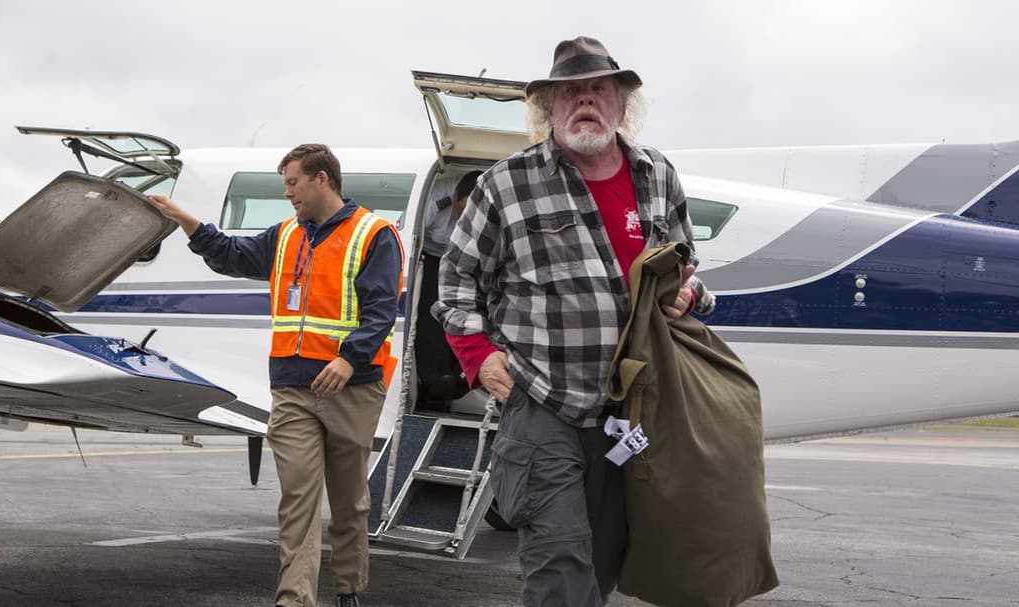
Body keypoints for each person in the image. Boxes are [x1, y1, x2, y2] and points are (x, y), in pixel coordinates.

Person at [433, 36, 714, 606]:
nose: (585, 100)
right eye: (571, 92)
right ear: (549, 108)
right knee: (560, 564)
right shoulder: (505, 184)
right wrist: (479, 357)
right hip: (544, 404)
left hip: (630, 408)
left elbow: (683, 268)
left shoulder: (658, 175)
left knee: (605, 561)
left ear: (620, 103)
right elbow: (455, 283)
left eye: (598, 89)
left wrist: (689, 294)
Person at [147, 143, 403, 607]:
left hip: (352, 386)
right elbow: (229, 254)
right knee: (298, 500)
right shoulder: (285, 235)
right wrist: (185, 220)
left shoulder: (375, 234)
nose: (288, 194)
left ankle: (349, 589)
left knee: (349, 503)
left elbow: (383, 310)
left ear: (322, 179)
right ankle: (294, 601)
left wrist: (349, 359)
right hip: (290, 389)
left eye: (293, 183)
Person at [414, 170, 482, 410]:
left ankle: (457, 378)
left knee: (465, 316)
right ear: (455, 197)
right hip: (431, 257)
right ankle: (431, 379)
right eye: (461, 210)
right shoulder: (437, 196)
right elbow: (414, 233)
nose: (463, 218)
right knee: (430, 316)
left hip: (464, 261)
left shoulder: (485, 205)